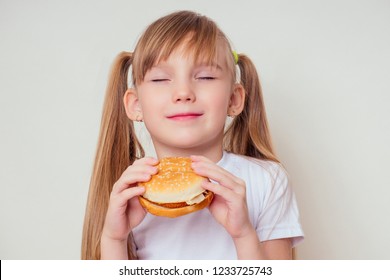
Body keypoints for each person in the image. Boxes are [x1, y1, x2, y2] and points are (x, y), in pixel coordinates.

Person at [81, 10, 304, 260]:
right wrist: (114, 239)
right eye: (161, 79)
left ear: (234, 99)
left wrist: (243, 234)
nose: (183, 92)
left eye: (206, 76)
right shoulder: (130, 191)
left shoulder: (267, 181)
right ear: (135, 105)